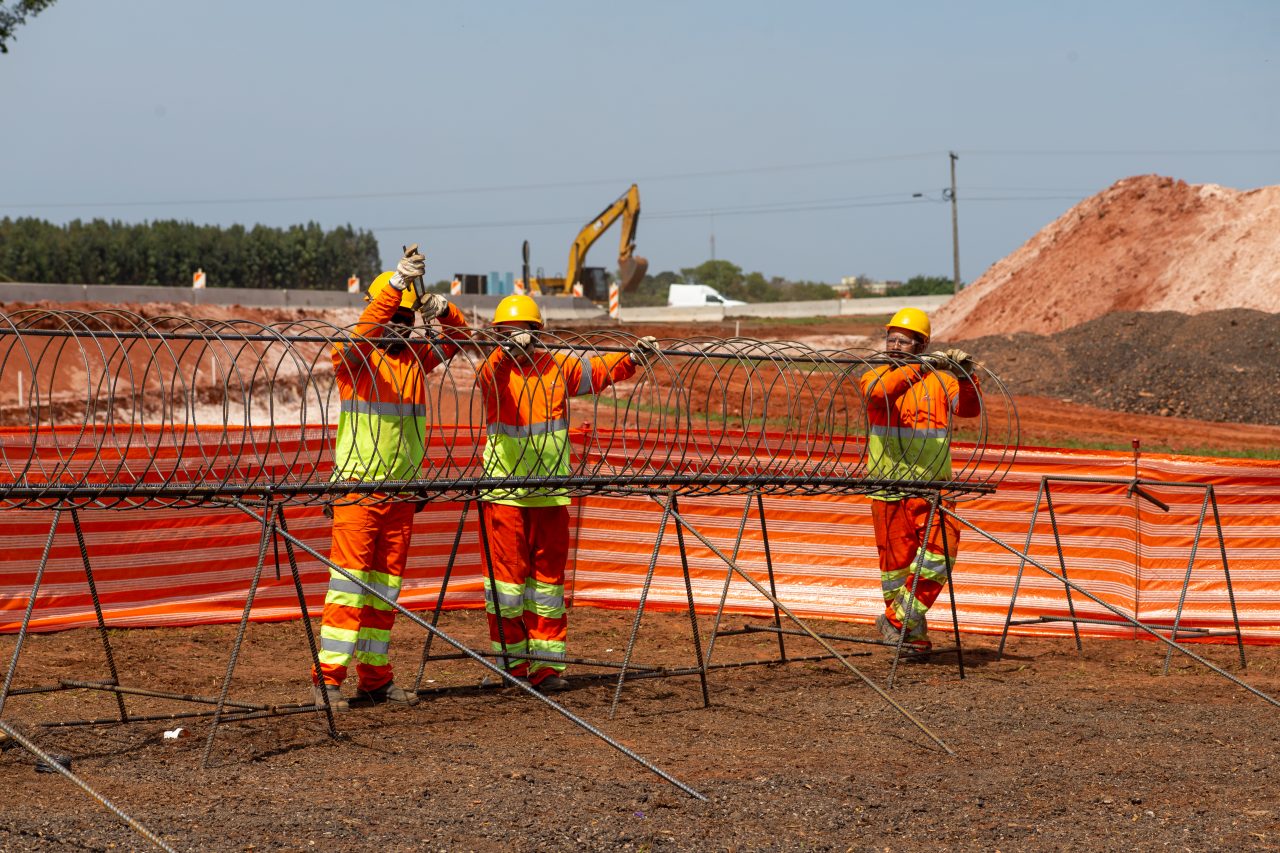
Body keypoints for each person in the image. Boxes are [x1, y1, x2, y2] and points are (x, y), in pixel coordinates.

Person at [313, 244, 470, 711]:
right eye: (393, 321)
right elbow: (361, 335)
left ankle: (375, 680)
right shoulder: (354, 360)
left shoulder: (414, 363)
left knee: (384, 593)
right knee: (348, 587)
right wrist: (397, 289)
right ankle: (328, 680)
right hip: (358, 492)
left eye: (405, 322)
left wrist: (443, 309)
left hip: (401, 495)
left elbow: (459, 341)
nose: (399, 329)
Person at [475, 295, 659, 691]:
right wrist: (505, 354)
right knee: (506, 588)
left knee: (547, 586)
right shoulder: (495, 372)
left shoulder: (555, 367)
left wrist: (633, 358)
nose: (515, 340)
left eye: (521, 332)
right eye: (506, 334)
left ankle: (547, 669)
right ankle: (513, 667)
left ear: (537, 333)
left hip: (550, 494)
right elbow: (487, 377)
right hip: (505, 493)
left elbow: (597, 371)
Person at [858, 307, 982, 653]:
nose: (895, 345)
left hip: (933, 488)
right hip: (887, 489)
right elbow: (880, 394)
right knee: (895, 572)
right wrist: (919, 368)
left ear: (921, 345)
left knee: (941, 555)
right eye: (891, 338)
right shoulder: (876, 377)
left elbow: (969, 410)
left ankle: (896, 621)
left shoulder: (942, 382)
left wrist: (966, 376)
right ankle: (913, 642)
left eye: (905, 341)